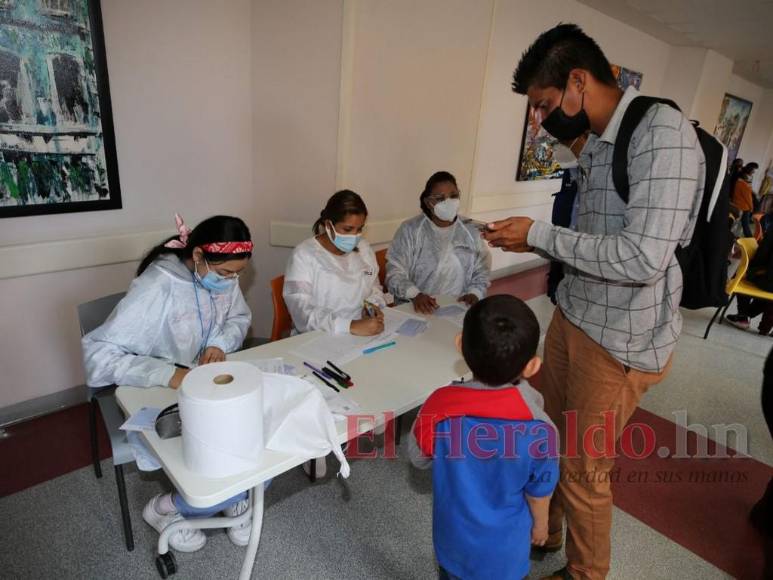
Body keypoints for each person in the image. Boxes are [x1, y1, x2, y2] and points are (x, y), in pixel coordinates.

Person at [482, 24, 704, 580]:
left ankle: (585, 574)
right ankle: (546, 529)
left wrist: (536, 235)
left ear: (578, 81)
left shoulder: (664, 133)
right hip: (575, 316)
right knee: (551, 437)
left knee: (585, 470)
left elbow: (642, 257)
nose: (540, 119)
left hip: (622, 337)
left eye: (545, 104)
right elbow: (593, 233)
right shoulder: (598, 143)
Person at [82, 214, 254, 552]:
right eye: (225, 274)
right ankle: (167, 508)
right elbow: (97, 358)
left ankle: (224, 495)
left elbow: (239, 318)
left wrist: (220, 341)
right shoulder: (158, 285)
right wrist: (168, 374)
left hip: (201, 379)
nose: (232, 281)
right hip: (154, 384)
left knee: (242, 427)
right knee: (205, 440)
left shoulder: (223, 275)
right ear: (199, 257)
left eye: (238, 274)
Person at [408, 295, 558, 580]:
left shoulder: (438, 407)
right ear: (532, 366)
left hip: (453, 544)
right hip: (505, 556)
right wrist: (540, 527)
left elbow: (418, 459)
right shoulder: (541, 429)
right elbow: (539, 493)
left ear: (459, 344)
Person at [284, 189, 386, 336]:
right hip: (319, 336)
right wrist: (350, 326)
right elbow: (302, 314)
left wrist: (371, 306)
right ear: (328, 225)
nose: (354, 236)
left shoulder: (363, 248)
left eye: (359, 229)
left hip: (363, 330)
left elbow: (374, 287)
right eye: (348, 229)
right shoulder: (304, 255)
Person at [386, 171, 490, 314]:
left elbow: (482, 270)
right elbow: (395, 272)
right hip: (418, 308)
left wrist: (475, 293)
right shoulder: (411, 230)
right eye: (440, 198)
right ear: (429, 203)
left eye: (453, 196)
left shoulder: (470, 231)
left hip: (458, 307)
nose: (449, 202)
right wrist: (415, 295)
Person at [726, 227, 773, 335]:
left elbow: (761, 257)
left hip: (768, 282)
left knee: (742, 274)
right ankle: (762, 327)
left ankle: (743, 315)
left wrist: (751, 270)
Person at [732, 162, 758, 237]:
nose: (753, 173)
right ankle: (750, 238)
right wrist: (751, 208)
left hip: (738, 204)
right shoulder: (744, 184)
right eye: (753, 171)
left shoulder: (739, 181)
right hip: (743, 206)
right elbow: (748, 198)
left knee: (740, 223)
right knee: (745, 224)